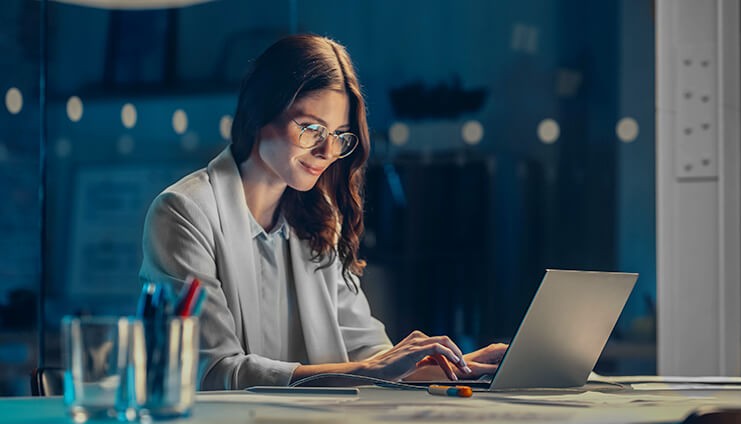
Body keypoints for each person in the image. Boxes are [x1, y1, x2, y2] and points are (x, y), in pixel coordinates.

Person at [139, 34, 506, 390]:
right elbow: (212, 371)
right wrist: (372, 367)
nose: (327, 151)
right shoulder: (183, 212)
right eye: (311, 128)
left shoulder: (318, 217)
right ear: (260, 112)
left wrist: (461, 367)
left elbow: (369, 355)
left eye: (340, 135)